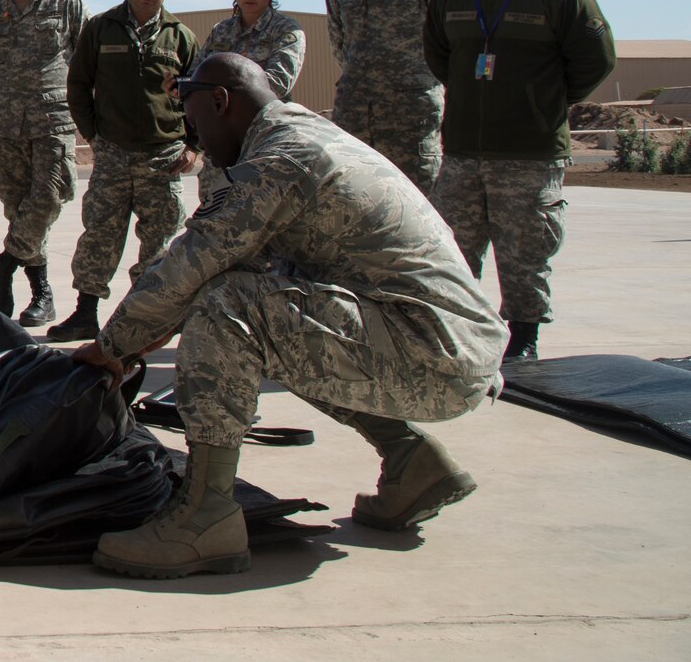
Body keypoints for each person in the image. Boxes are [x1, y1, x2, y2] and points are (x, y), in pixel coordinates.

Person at [74, 53, 504, 579]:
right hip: (444, 346)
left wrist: (109, 348)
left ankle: (205, 516)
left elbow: (193, 262)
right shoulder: (302, 137)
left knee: (230, 306)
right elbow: (224, 262)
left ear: (220, 101)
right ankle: (411, 462)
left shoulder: (281, 159)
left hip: (433, 356)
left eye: (194, 121)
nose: (197, 138)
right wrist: (137, 336)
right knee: (280, 315)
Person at [424, 0, 615, 361]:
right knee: (452, 249)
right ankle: (456, 330)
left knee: (525, 249)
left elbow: (596, 61)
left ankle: (523, 338)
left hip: (529, 152)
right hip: (465, 150)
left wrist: (543, 100)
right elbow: (439, 58)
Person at [46, 0, 201, 343]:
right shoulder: (101, 29)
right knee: (100, 233)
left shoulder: (181, 36)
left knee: (160, 242)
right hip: (112, 152)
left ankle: (147, 319)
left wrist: (194, 146)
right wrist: (93, 135)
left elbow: (198, 96)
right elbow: (78, 85)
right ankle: (84, 313)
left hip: (163, 155)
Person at [0, 0, 87, 326]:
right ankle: (42, 293)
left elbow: (84, 60)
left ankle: (4, 264)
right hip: (6, 123)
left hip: (52, 120)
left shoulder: (65, 3)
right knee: (17, 206)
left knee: (50, 196)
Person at [325, 0, 451, 194]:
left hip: (411, 121)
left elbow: (451, 43)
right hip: (356, 119)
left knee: (421, 209)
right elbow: (339, 44)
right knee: (356, 207)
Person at [194, 0, 306, 196]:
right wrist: (180, 85)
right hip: (221, 152)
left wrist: (219, 95)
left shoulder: (286, 31)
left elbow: (276, 84)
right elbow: (197, 77)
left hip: (264, 147)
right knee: (215, 223)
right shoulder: (220, 32)